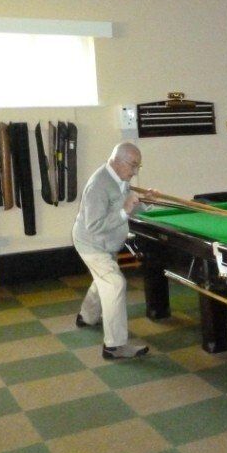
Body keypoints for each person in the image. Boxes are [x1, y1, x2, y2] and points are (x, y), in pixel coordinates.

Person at [73, 142, 152, 359]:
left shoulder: (120, 178)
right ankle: (114, 346)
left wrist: (148, 206)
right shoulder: (98, 185)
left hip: (107, 244)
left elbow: (126, 205)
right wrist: (126, 211)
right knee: (115, 283)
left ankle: (86, 317)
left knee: (103, 281)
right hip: (92, 243)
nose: (135, 172)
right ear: (116, 160)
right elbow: (94, 225)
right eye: (133, 165)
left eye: (138, 166)